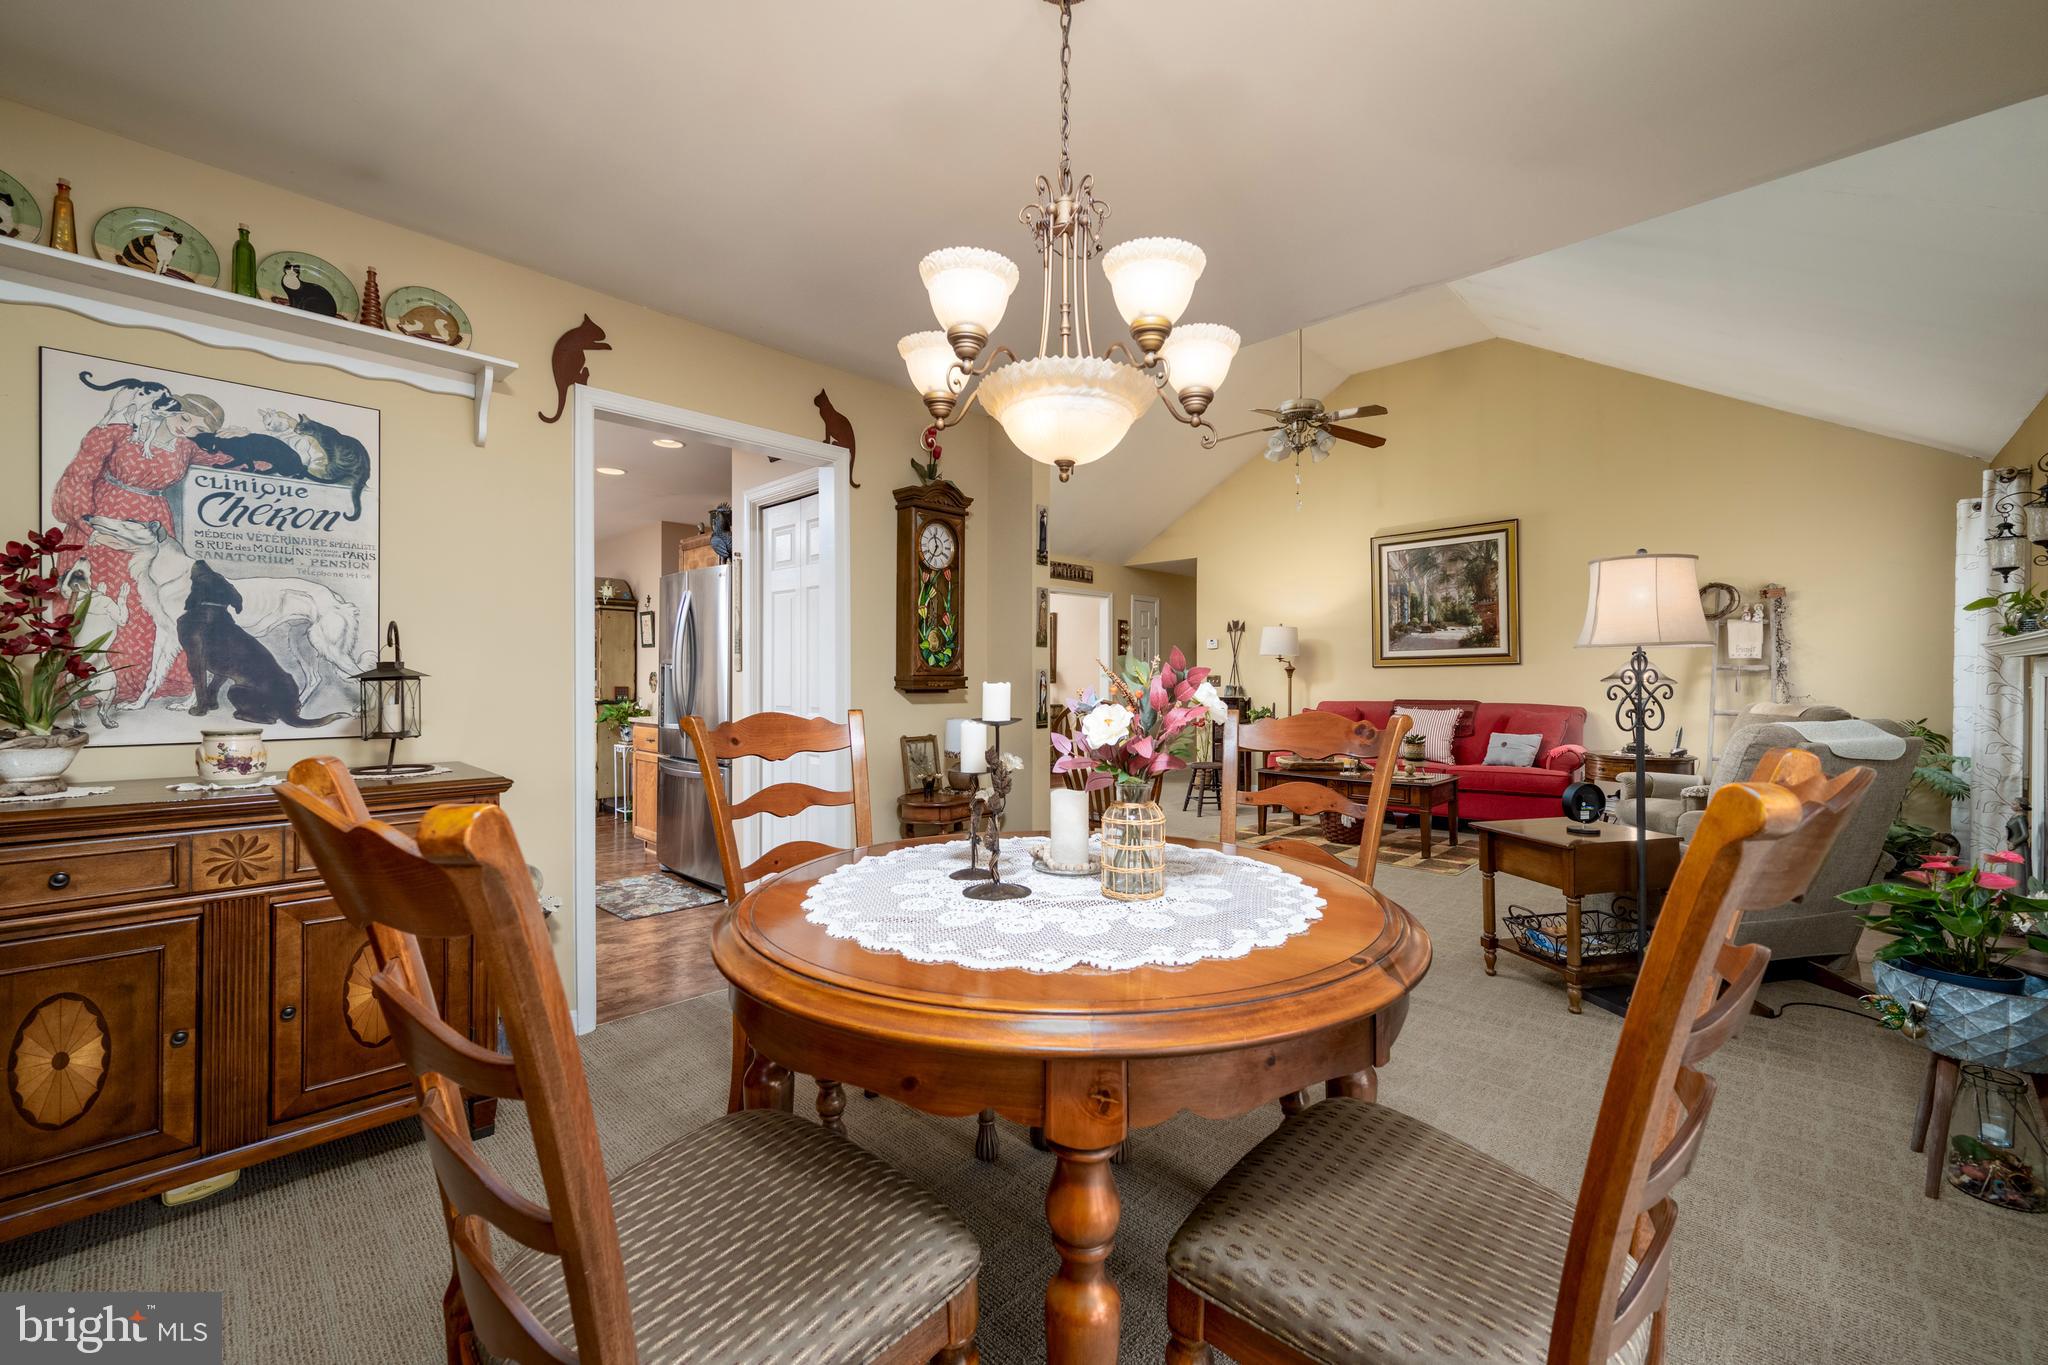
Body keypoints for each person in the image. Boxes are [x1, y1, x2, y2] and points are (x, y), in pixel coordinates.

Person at [49, 393, 234, 707]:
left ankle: (141, 681)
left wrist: (243, 441)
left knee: (147, 600)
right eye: (185, 418)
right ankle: (95, 684)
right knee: (103, 600)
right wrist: (91, 530)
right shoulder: (122, 432)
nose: (186, 429)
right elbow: (79, 476)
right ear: (171, 408)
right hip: (107, 518)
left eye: (197, 428)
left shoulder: (188, 448)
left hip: (153, 526)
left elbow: (228, 459)